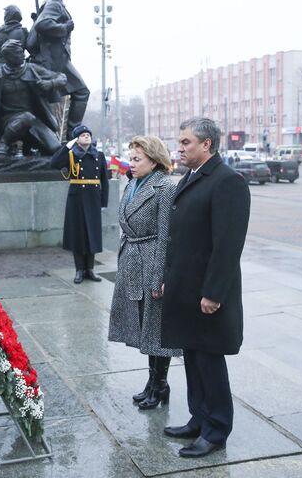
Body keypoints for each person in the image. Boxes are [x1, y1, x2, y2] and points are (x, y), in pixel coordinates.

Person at [161, 118, 250, 458]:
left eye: (185, 142)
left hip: (207, 293)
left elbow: (227, 246)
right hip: (186, 289)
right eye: (180, 142)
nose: (179, 148)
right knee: (194, 358)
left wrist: (214, 293)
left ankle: (216, 430)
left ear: (206, 145)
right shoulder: (194, 176)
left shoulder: (228, 182)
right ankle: (198, 419)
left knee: (210, 362)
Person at [108, 136, 181, 410]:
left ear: (154, 159)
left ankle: (160, 384)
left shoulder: (164, 188)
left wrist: (159, 276)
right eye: (132, 158)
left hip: (152, 259)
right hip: (133, 258)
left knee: (155, 328)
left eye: (138, 159)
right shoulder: (132, 183)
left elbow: (166, 236)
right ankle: (152, 382)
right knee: (143, 326)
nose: (132, 163)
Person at [28, 0, 90, 138]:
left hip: (54, 59)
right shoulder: (54, 4)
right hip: (55, 61)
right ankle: (72, 134)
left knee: (46, 102)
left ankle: (58, 136)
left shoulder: (50, 3)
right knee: (82, 92)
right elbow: (42, 24)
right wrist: (65, 27)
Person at [50, 125, 109, 283]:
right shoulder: (71, 154)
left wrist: (104, 202)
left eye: (88, 134)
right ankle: (79, 270)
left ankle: (90, 269)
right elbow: (53, 163)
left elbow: (104, 180)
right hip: (76, 199)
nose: (86, 137)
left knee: (93, 235)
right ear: (76, 139)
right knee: (78, 235)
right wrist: (67, 146)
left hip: (93, 198)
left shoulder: (100, 155)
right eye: (82, 135)